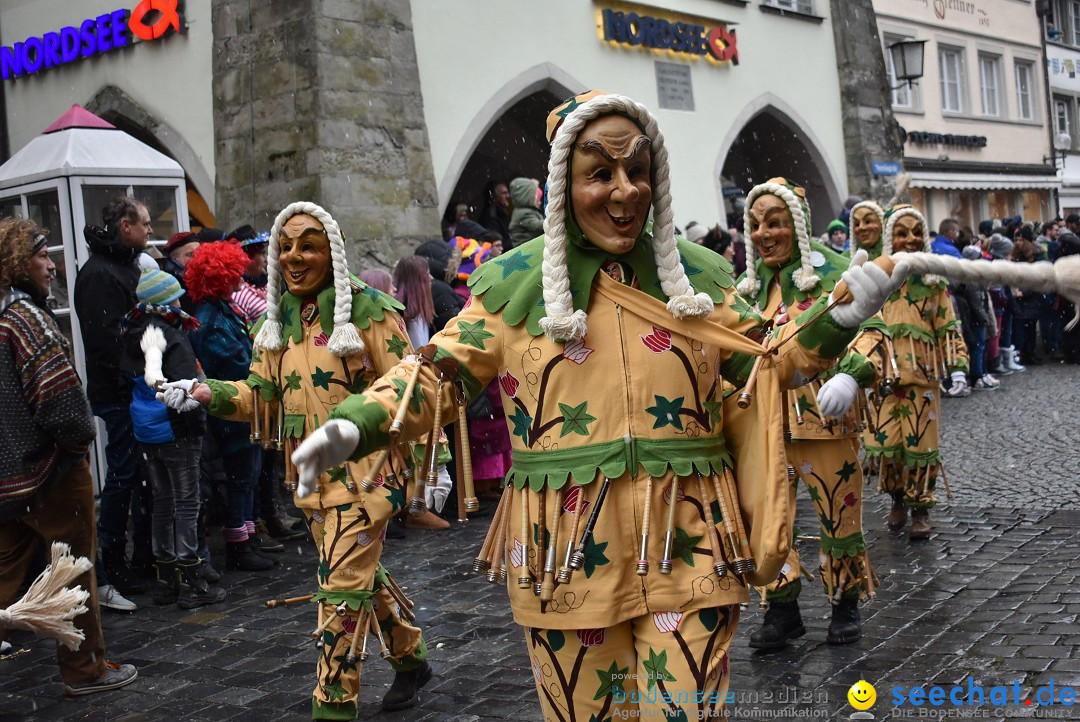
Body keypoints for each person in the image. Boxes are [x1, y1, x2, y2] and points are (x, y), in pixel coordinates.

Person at [288, 92, 901, 721]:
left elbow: (768, 363)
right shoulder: (512, 285)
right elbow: (438, 373)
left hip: (690, 544)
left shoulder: (697, 281)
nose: (625, 191)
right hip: (565, 559)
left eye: (638, 171)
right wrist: (352, 426)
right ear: (562, 182)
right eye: (600, 173)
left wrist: (838, 322)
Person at [160, 203, 431, 719]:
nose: (293, 257)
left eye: (307, 245)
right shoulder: (275, 321)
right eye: (285, 247)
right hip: (309, 481)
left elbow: (411, 390)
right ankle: (411, 658)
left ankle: (333, 708)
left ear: (332, 249)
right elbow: (261, 395)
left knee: (338, 594)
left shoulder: (371, 311)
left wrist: (413, 474)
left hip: (366, 480)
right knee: (355, 578)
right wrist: (204, 391)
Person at [735, 179, 885, 648]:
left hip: (826, 421)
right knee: (768, 518)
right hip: (763, 424)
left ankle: (844, 603)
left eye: (775, 223)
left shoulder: (837, 270)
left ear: (797, 226)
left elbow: (873, 327)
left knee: (839, 515)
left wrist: (852, 374)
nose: (764, 234)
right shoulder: (745, 289)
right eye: (756, 224)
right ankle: (781, 609)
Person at [0, 218, 138, 696]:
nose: (51, 264)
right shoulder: (24, 317)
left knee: (5, 576)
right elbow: (61, 403)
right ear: (19, 260)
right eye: (41, 254)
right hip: (48, 471)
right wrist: (77, 445)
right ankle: (85, 670)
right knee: (72, 569)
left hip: (5, 479)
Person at [863, 205, 967, 540]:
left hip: (921, 381)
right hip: (880, 381)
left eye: (916, 231)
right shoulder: (876, 279)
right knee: (887, 447)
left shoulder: (933, 282)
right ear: (889, 237)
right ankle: (897, 500)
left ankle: (921, 508)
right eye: (902, 232)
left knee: (920, 448)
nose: (911, 239)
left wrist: (958, 366)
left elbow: (948, 324)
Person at [121, 269, 224, 608]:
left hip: (146, 430)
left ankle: (166, 577)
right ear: (166, 302)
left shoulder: (132, 331)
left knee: (162, 502)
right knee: (186, 502)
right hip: (175, 428)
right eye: (176, 296)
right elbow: (186, 388)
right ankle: (191, 583)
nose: (182, 302)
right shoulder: (172, 335)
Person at [73, 196, 153, 602]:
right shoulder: (102, 273)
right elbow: (108, 342)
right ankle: (114, 560)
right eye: (144, 223)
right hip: (121, 393)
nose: (150, 230)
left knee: (137, 475)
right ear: (125, 225)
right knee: (124, 475)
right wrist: (138, 373)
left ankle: (139, 555)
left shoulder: (121, 265)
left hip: (133, 388)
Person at [185, 241, 276, 572]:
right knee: (240, 475)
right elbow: (237, 362)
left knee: (249, 473)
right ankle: (239, 543)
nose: (241, 276)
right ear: (220, 278)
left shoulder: (224, 310)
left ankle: (248, 536)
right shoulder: (210, 319)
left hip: (239, 402)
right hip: (229, 406)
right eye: (234, 271)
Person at [508, 177, 545, 247]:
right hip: (526, 248)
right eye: (536, 199)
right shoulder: (524, 213)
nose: (539, 202)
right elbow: (537, 226)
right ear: (526, 197)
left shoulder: (527, 210)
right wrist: (552, 222)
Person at [479, 180, 512, 250]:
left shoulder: (502, 213)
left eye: (507, 193)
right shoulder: (491, 218)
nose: (508, 196)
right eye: (504, 193)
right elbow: (499, 242)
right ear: (494, 198)